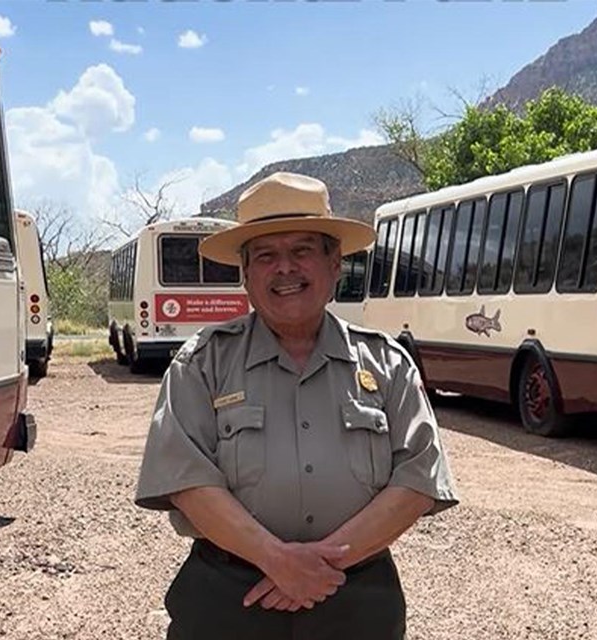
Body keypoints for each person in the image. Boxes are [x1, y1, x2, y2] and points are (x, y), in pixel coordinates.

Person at [135, 171, 459, 640]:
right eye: (265, 255)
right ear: (245, 275)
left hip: (356, 602)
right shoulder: (202, 363)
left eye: (302, 250)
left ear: (335, 266)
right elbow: (187, 480)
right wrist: (277, 560)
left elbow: (417, 479)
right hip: (228, 601)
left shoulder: (388, 363)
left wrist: (314, 569)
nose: (284, 268)